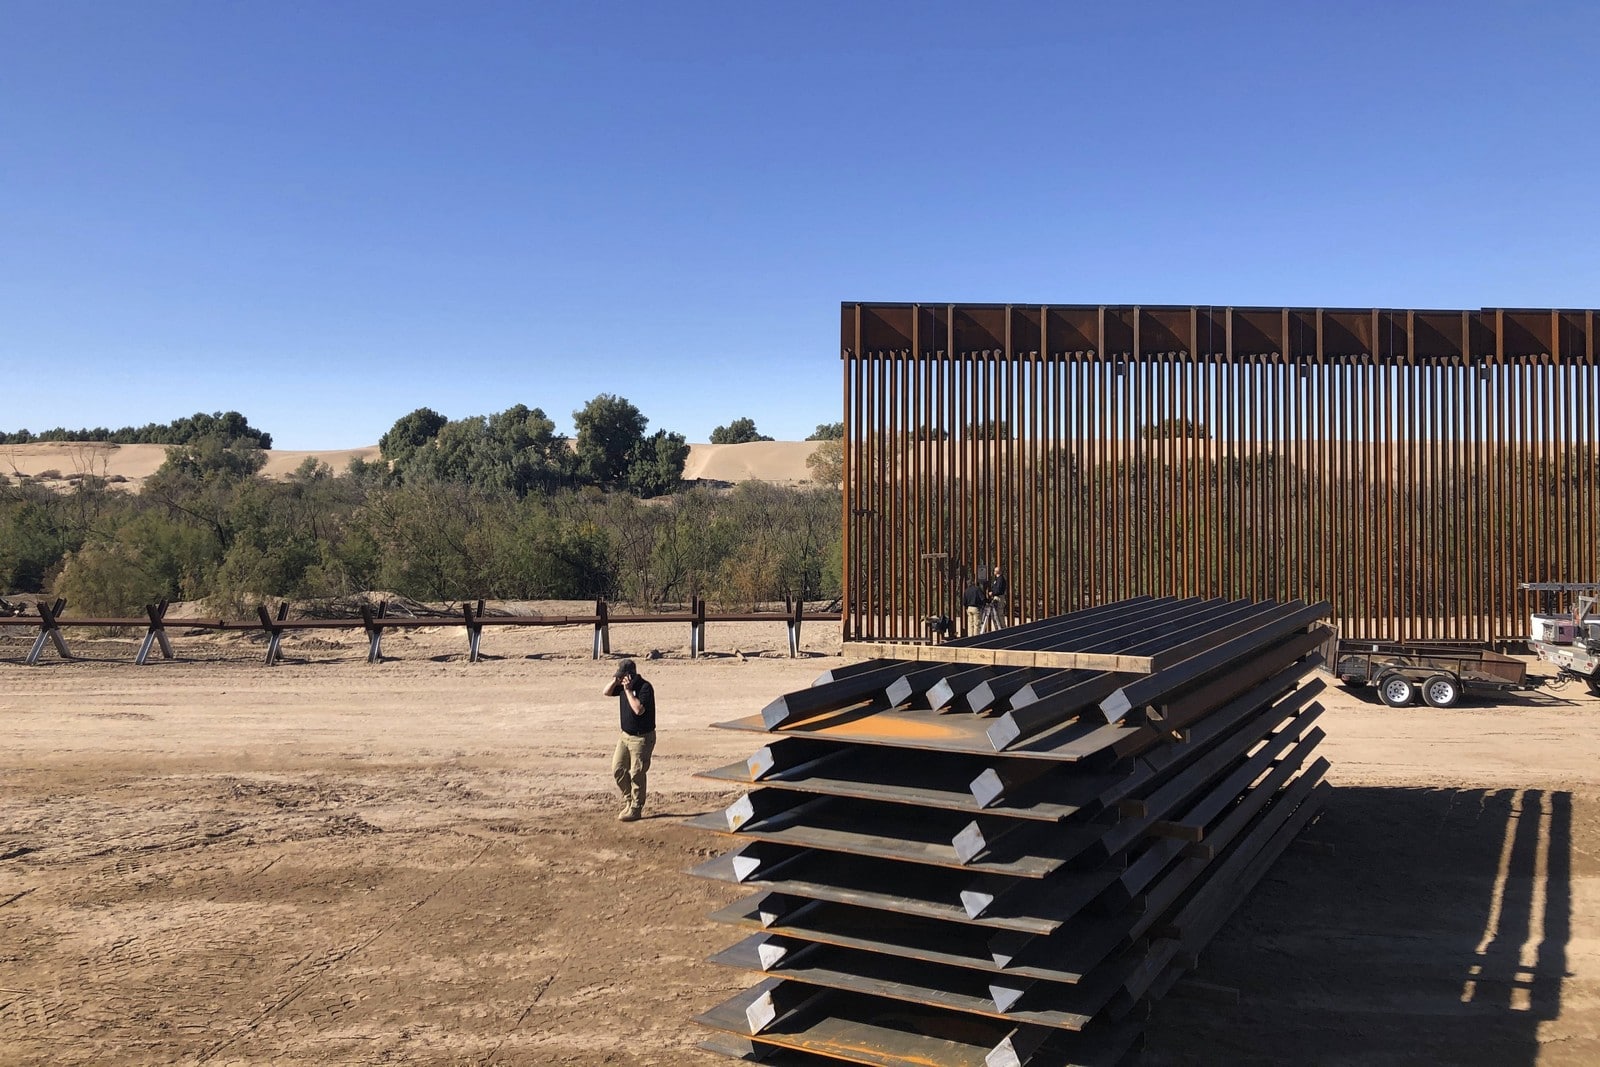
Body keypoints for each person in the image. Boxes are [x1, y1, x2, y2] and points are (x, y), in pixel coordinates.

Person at [602, 659, 656, 822]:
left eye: (623, 676)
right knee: (618, 769)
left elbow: (638, 709)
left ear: (631, 676)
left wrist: (628, 690)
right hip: (625, 736)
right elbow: (605, 692)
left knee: (637, 774)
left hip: (642, 738)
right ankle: (629, 799)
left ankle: (636, 808)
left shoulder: (645, 687)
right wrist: (615, 681)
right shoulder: (621, 685)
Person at [984, 566, 1009, 632]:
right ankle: (999, 628)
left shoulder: (1000, 579)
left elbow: (998, 590)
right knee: (996, 614)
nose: (994, 572)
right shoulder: (998, 579)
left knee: (999, 613)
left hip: (998, 598)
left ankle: (1003, 628)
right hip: (997, 597)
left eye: (995, 571)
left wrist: (992, 593)